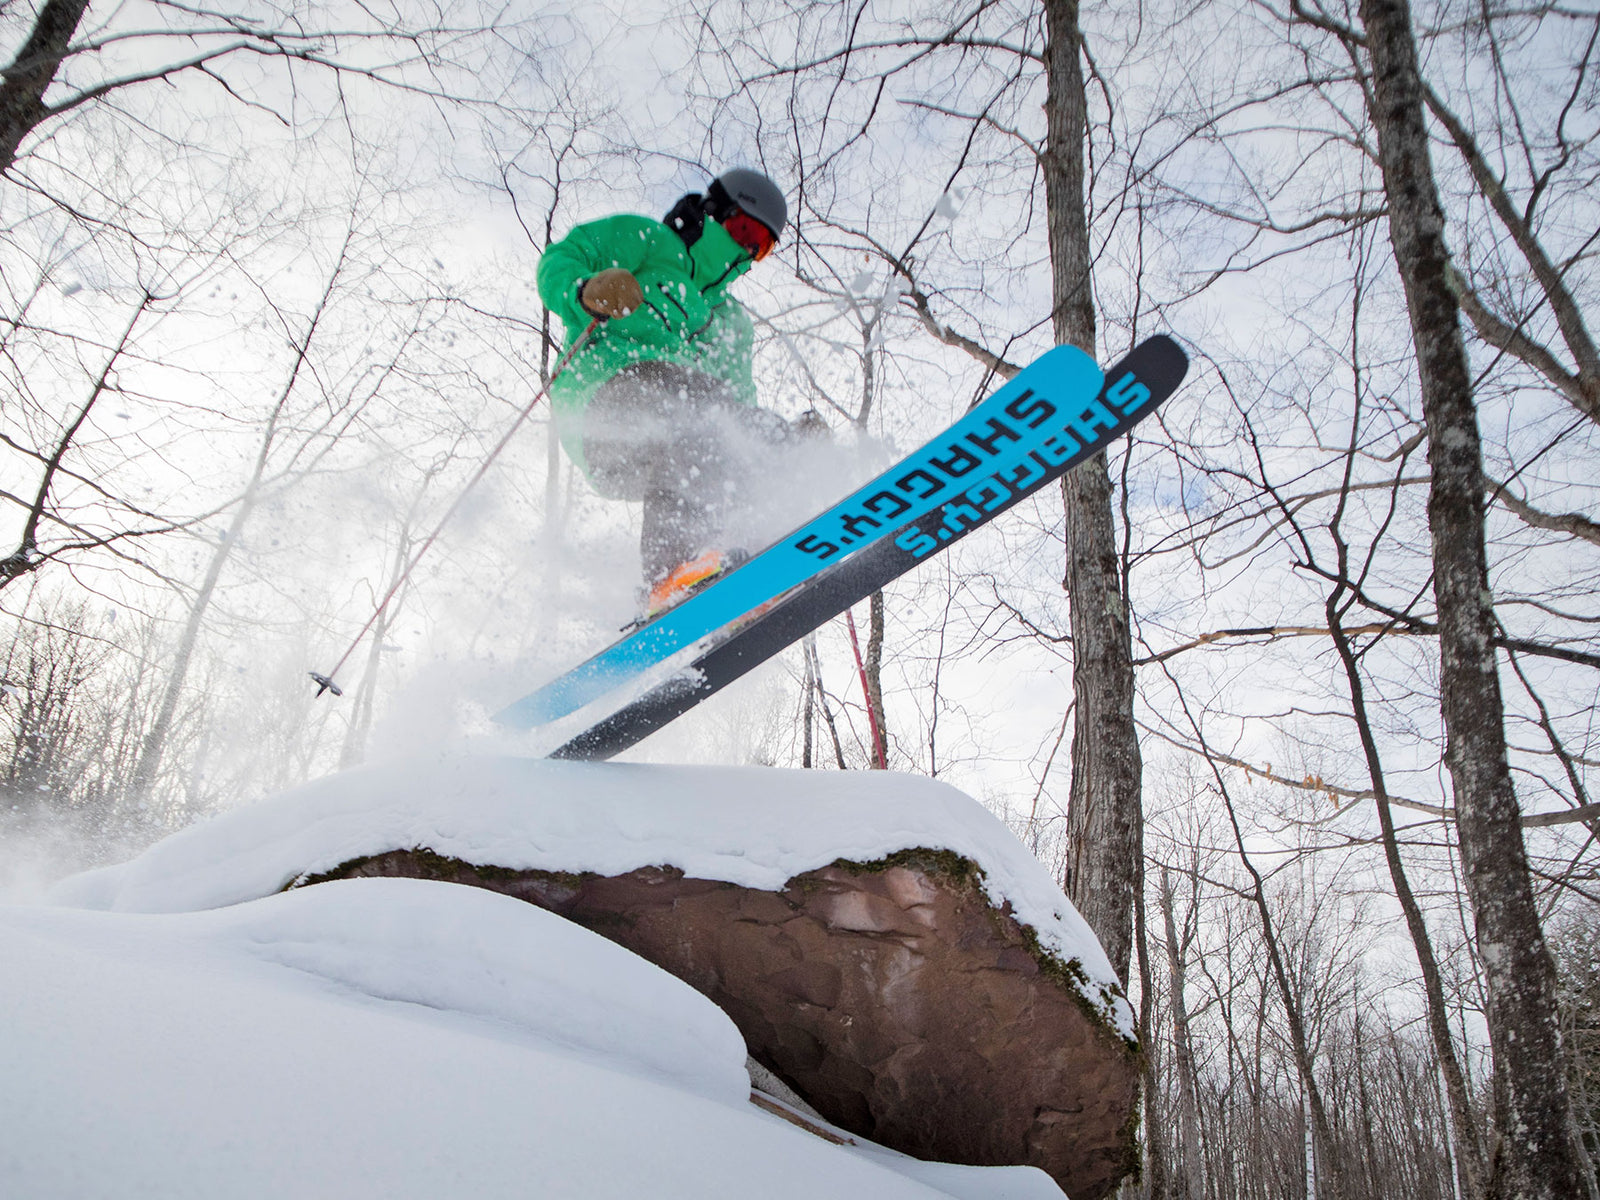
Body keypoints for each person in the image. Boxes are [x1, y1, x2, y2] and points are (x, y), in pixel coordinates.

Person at [537, 167, 816, 617]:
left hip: (659, 447)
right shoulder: (650, 242)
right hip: (604, 397)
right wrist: (586, 291)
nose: (744, 251)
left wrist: (783, 446)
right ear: (714, 212)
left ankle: (733, 562)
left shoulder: (726, 320)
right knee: (696, 414)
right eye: (745, 231)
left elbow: (736, 412)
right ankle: (673, 571)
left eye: (760, 247)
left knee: (741, 433)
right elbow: (565, 256)